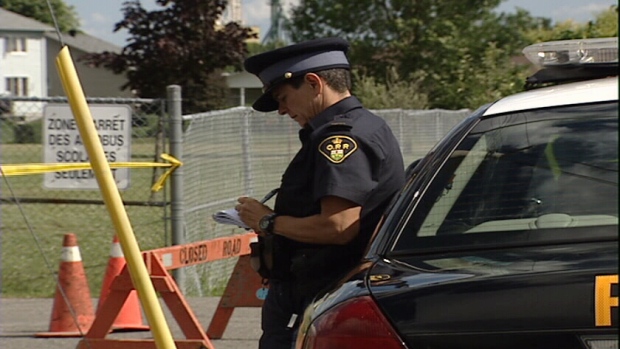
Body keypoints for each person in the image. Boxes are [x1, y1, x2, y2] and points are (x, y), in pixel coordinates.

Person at [235, 37, 405, 349]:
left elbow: (338, 226)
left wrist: (268, 222)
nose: (282, 111)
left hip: (318, 292)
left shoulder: (340, 139)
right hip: (323, 290)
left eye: (284, 98)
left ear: (314, 83)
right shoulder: (363, 126)